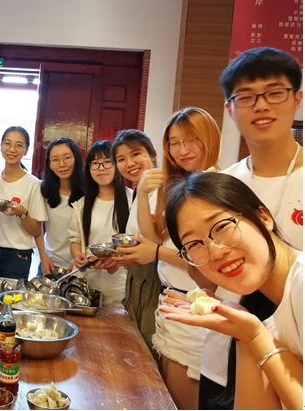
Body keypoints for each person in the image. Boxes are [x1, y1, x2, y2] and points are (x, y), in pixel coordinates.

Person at [196, 46, 303, 409]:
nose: (261, 105)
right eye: (246, 96)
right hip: (223, 354)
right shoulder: (222, 185)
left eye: (274, 92)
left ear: (297, 98)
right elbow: (208, 274)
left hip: (292, 365)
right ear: (230, 109)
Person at [160, 172, 302, 410]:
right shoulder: (258, 304)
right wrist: (247, 337)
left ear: (264, 217)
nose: (216, 252)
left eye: (222, 226)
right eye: (194, 244)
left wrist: (255, 337)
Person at [113, 108, 221, 410]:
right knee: (164, 394)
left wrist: (157, 253)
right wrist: (143, 195)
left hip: (196, 306)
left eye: (191, 140)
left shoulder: (215, 187)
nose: (182, 150)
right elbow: (156, 238)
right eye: (174, 143)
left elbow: (210, 263)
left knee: (179, 400)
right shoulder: (181, 186)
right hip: (171, 300)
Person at [111, 129, 161, 358]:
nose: (129, 163)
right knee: (135, 347)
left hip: (156, 286)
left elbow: (158, 245)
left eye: (136, 154)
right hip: (136, 284)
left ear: (152, 155)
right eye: (121, 159)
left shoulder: (167, 191)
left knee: (151, 351)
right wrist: (117, 257)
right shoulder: (138, 194)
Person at [0, 126, 48, 281]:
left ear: (26, 151)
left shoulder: (33, 184)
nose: (12, 149)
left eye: (19, 145)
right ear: (1, 146)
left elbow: (35, 230)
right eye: (7, 143)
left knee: (13, 297)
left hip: (18, 256)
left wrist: (22, 213)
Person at [68, 141, 131, 302]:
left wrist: (115, 260)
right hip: (86, 283)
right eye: (95, 163)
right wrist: (78, 256)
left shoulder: (132, 200)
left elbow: (138, 241)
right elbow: (75, 240)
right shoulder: (81, 205)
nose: (101, 168)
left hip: (119, 284)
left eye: (107, 162)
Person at [36, 138, 85, 275]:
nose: (62, 164)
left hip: (80, 265)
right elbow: (37, 227)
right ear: (50, 165)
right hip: (50, 263)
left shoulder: (89, 192)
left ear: (76, 159)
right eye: (55, 160)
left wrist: (81, 259)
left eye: (67, 158)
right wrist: (43, 256)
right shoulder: (42, 189)